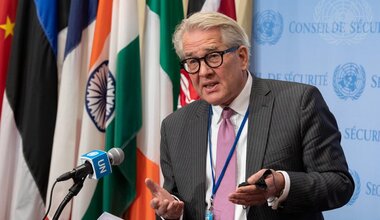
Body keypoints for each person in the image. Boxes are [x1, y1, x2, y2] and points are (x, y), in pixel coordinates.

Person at [145, 11, 354, 220]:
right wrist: (172, 213)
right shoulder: (175, 126)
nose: (203, 72)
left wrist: (281, 184)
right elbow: (174, 200)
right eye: (192, 61)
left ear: (242, 57)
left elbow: (339, 184)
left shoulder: (298, 103)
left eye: (213, 57)